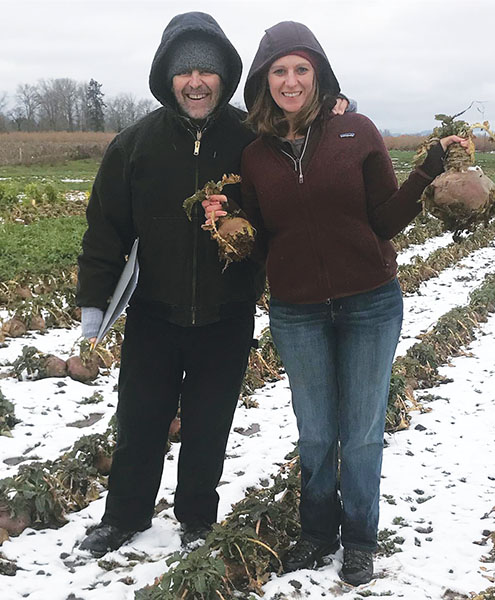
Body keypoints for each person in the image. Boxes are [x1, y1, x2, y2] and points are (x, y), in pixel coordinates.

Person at [76, 12, 351, 558]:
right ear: (166, 78)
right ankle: (124, 517)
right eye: (184, 72)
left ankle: (197, 516)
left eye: (206, 70)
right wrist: (94, 306)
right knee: (140, 419)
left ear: (225, 77)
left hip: (227, 313)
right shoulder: (135, 146)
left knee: (210, 422)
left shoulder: (252, 140)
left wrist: (342, 110)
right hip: (153, 311)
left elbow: (308, 150)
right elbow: (105, 229)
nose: (195, 82)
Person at [204, 21, 468, 586]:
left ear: (319, 75)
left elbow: (386, 220)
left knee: (363, 430)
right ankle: (317, 533)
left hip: (370, 303)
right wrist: (224, 224)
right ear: (263, 80)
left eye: (302, 69)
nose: (291, 81)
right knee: (317, 431)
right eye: (279, 71)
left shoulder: (358, 131)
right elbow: (260, 240)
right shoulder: (254, 155)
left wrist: (426, 171)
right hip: (297, 310)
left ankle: (360, 540)